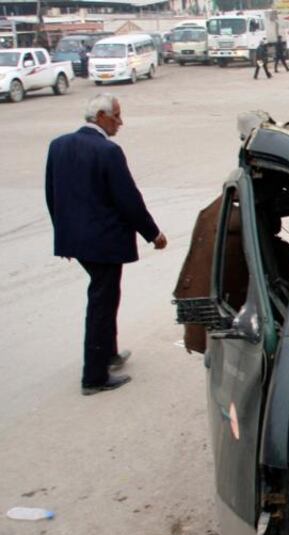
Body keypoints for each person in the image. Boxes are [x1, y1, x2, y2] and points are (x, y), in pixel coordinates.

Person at [45, 94, 167, 396]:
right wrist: (153, 234)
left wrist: (64, 236)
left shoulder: (59, 145)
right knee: (102, 302)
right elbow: (128, 199)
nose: (120, 123)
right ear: (100, 117)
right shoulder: (108, 151)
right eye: (116, 116)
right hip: (103, 242)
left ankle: (108, 354)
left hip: (77, 240)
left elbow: (52, 194)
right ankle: (94, 376)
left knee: (106, 296)